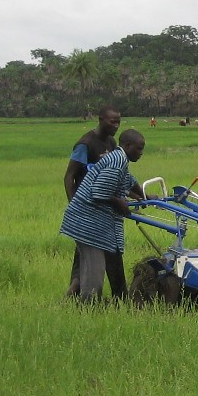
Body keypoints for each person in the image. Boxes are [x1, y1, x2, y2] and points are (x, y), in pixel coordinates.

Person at [60, 129, 145, 302]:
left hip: (95, 223)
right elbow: (99, 191)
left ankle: (75, 302)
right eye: (139, 149)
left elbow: (127, 179)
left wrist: (143, 195)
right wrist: (119, 202)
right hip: (88, 223)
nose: (141, 153)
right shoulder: (116, 161)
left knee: (89, 267)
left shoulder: (118, 159)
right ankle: (89, 309)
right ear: (127, 146)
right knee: (94, 272)